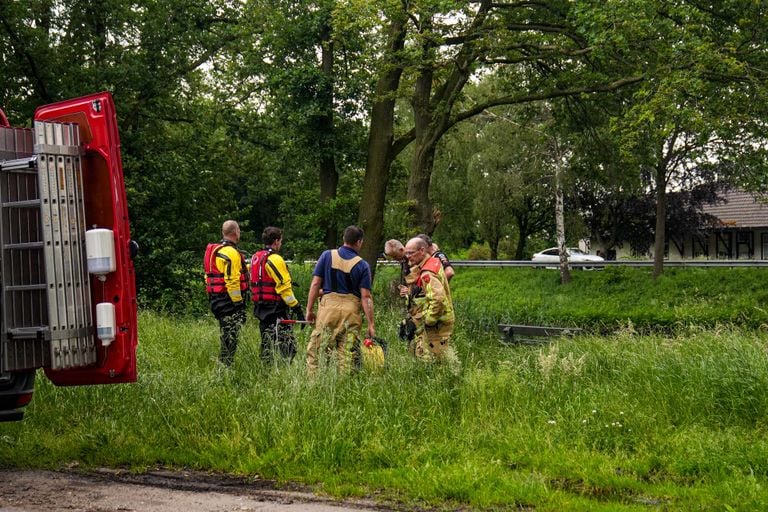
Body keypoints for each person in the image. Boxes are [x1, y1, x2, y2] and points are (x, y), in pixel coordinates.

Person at [305, 225, 375, 374]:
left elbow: (316, 284)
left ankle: (313, 386)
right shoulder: (363, 265)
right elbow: (366, 297)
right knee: (347, 354)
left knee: (316, 351)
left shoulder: (326, 255)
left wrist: (309, 309)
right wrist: (371, 323)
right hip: (351, 311)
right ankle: (345, 387)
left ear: (344, 239)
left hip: (327, 310)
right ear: (359, 242)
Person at [250, 226, 304, 364]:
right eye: (280, 241)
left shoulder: (256, 257)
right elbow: (284, 288)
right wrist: (296, 308)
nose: (281, 244)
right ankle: (286, 371)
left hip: (260, 307)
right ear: (275, 241)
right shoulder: (275, 259)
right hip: (275, 308)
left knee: (267, 343)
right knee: (288, 347)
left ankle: (265, 372)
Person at [403, 236, 458, 369]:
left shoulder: (427, 272)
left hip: (437, 323)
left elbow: (437, 298)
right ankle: (452, 374)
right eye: (406, 253)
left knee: (432, 357)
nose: (408, 256)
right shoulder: (432, 262)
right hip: (440, 319)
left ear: (422, 251)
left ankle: (447, 377)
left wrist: (428, 321)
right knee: (440, 353)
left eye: (411, 253)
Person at [204, 220, 248, 366]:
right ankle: (225, 367)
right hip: (228, 300)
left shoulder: (214, 251)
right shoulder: (231, 253)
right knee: (230, 337)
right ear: (236, 232)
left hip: (215, 298)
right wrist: (239, 304)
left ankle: (224, 365)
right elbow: (232, 281)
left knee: (226, 334)